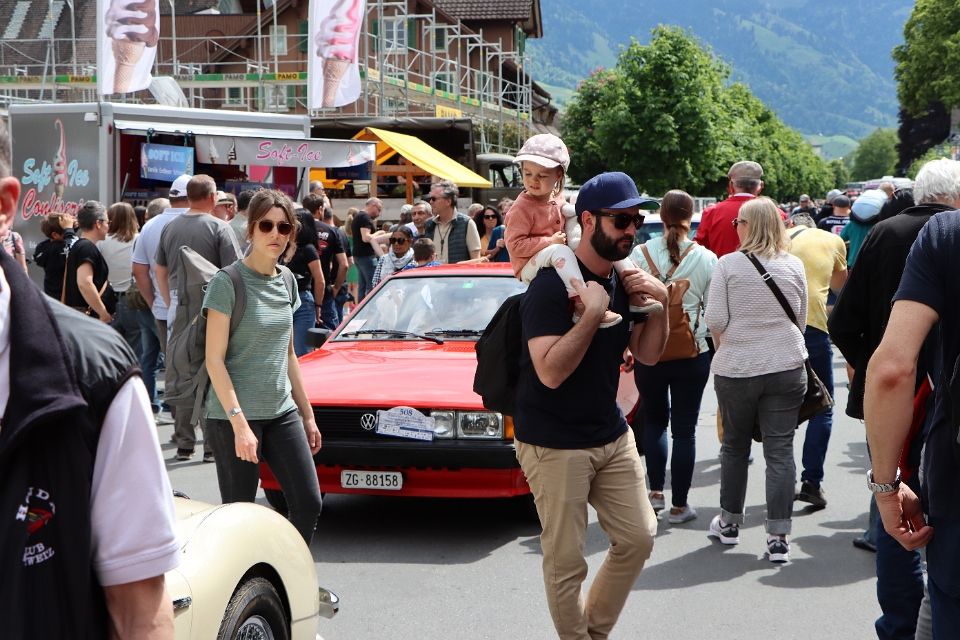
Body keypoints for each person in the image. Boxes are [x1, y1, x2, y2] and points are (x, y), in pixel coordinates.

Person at [0, 117, 180, 640]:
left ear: (5, 205)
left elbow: (139, 610)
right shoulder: (88, 252)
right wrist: (103, 310)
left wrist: (99, 320)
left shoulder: (95, 375)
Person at [514, 171, 668, 640]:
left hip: (610, 432)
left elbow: (648, 355)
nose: (631, 230)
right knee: (566, 563)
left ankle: (592, 634)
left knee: (639, 537)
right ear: (587, 220)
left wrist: (662, 305)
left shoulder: (624, 277)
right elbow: (549, 371)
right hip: (553, 440)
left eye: (636, 220)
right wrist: (593, 314)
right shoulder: (550, 286)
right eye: (621, 220)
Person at [832, 158, 960, 640]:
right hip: (931, 402)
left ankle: (901, 624)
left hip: (919, 408)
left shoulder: (910, 236)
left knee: (902, 516)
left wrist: (885, 487)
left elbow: (875, 353)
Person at [203, 190, 323, 544]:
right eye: (266, 225)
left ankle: (291, 572)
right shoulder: (228, 282)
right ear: (251, 229)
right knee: (241, 517)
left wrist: (308, 415)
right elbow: (214, 359)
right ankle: (247, 580)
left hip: (281, 411)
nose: (275, 234)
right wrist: (239, 424)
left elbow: (289, 354)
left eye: (283, 227)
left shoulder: (287, 280)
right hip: (234, 416)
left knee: (308, 503)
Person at [705, 196, 808, 563]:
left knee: (734, 447)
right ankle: (778, 537)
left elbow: (715, 320)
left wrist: (729, 346)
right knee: (780, 449)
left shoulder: (728, 265)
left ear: (747, 226)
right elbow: (800, 318)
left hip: (738, 368)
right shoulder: (793, 264)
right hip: (786, 365)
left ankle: (729, 524)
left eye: (738, 222)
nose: (735, 228)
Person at [505, 134, 661, 328]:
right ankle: (582, 303)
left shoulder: (557, 197)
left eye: (542, 175)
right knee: (561, 250)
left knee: (610, 246)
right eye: (527, 173)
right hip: (528, 265)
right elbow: (515, 245)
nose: (533, 180)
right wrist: (550, 242)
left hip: (555, 253)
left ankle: (635, 291)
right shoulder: (521, 208)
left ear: (559, 175)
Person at [629, 189, 717, 524]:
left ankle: (655, 494)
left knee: (654, 423)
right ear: (690, 217)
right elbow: (714, 313)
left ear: (662, 217)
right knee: (685, 430)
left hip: (648, 353)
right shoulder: (707, 258)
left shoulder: (639, 254)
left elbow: (629, 306)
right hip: (692, 353)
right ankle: (680, 506)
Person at [155, 175, 240, 462]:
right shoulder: (219, 227)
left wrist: (170, 301)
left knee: (182, 369)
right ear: (213, 197)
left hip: (178, 303)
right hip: (213, 303)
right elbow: (235, 272)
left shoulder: (170, 226)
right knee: (214, 369)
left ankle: (184, 443)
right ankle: (212, 446)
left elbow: (159, 270)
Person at [786, 212, 847, 508]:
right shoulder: (832, 240)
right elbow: (839, 286)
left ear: (790, 225)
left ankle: (782, 480)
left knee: (779, 407)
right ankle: (811, 481)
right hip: (814, 328)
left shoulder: (775, 240)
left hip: (778, 331)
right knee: (823, 406)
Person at [133, 188, 187, 420]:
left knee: (159, 361)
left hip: (160, 308)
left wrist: (154, 301)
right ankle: (183, 419)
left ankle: (167, 413)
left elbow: (140, 271)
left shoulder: (149, 227)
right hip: (188, 307)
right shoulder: (200, 221)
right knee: (190, 366)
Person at [694, 161, 765, 257]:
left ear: (731, 185)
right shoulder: (777, 214)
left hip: (721, 266)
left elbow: (698, 251)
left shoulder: (711, 213)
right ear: (760, 186)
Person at [99, 202, 142, 358]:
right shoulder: (139, 239)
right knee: (136, 350)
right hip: (133, 298)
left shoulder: (101, 241)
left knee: (110, 350)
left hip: (108, 299)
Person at [282, 209, 325, 357]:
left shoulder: (308, 249)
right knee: (285, 352)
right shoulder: (285, 246)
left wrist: (318, 305)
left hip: (302, 302)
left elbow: (320, 280)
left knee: (301, 352)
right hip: (284, 302)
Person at [63, 202, 113, 323]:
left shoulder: (79, 246)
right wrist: (102, 312)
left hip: (79, 315)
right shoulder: (87, 248)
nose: (108, 227)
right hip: (88, 317)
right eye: (107, 223)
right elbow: (84, 283)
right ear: (98, 224)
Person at [423, 180, 482, 264]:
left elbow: (476, 260)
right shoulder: (429, 224)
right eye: (430, 199)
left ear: (448, 201)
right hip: (433, 272)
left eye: (434, 199)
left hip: (457, 273)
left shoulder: (467, 223)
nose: (431, 202)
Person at [33, 212, 78, 298]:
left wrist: (70, 230)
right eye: (66, 231)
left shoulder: (44, 247)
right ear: (54, 234)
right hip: (63, 297)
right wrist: (69, 231)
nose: (69, 232)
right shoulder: (56, 250)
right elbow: (71, 248)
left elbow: (65, 241)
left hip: (50, 294)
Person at [841, 189, 887, 267]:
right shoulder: (880, 226)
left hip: (853, 263)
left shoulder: (851, 224)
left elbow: (842, 237)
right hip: (873, 263)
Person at [322, 206, 350, 329]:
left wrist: (335, 287)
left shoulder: (326, 234)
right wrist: (340, 281)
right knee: (338, 327)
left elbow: (334, 265)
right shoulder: (342, 233)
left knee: (330, 329)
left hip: (331, 287)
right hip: (342, 285)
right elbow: (350, 261)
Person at [352, 197, 384, 301]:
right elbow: (366, 238)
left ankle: (361, 307)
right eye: (379, 210)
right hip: (366, 255)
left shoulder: (359, 216)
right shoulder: (364, 217)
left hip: (359, 255)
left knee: (363, 285)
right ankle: (370, 308)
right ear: (373, 205)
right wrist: (379, 233)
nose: (379, 214)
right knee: (372, 284)